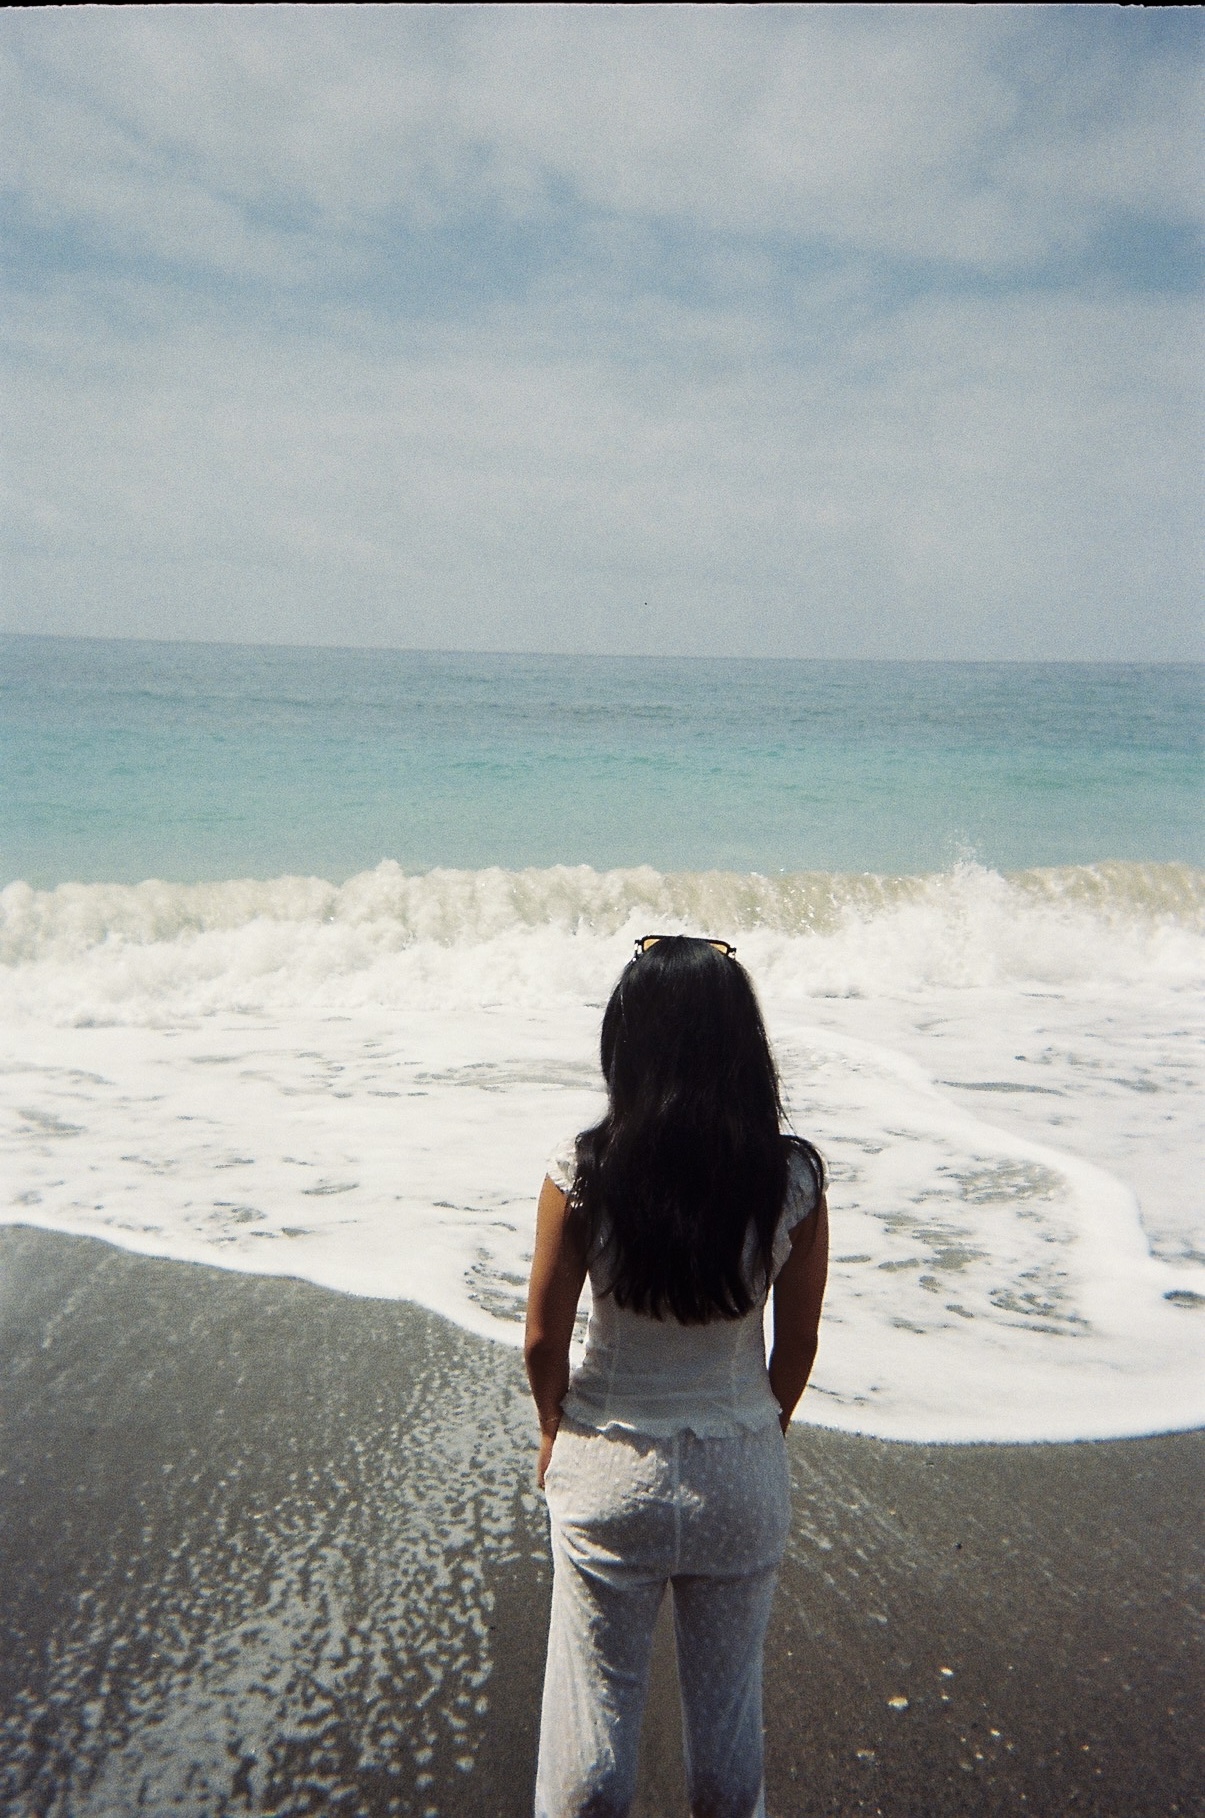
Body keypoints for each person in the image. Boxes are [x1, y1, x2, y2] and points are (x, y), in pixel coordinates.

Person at [525, 934, 829, 1818]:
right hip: (738, 1470)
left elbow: (542, 1338)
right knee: (729, 1731)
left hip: (608, 1463)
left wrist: (551, 1430)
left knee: (593, 1725)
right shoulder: (790, 1176)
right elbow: (797, 1345)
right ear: (742, 1043)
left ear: (627, 1039)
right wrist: (755, 1431)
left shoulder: (584, 1167)